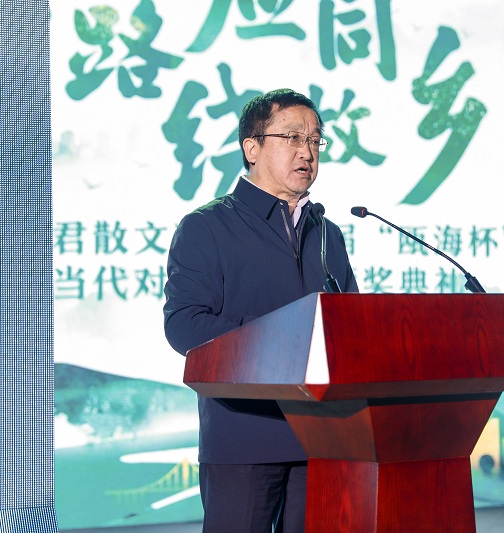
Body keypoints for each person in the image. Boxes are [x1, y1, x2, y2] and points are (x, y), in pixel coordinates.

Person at [163, 88, 359, 532]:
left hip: (324, 437)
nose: (306, 151)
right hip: (244, 437)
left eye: (314, 140)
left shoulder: (327, 233)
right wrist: (282, 338)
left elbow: (349, 326)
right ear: (251, 148)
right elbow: (185, 325)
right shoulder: (207, 227)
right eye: (292, 137)